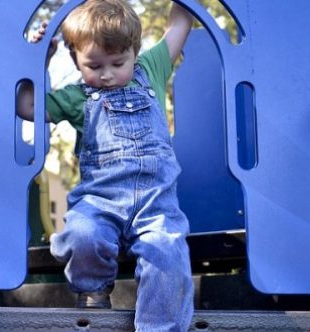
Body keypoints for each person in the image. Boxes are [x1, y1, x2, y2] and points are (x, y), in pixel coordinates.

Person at [18, 1, 195, 331]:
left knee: (168, 256)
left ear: (134, 51)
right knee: (82, 233)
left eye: (118, 62)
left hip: (156, 205)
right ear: (75, 60)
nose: (107, 74)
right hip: (100, 201)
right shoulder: (76, 96)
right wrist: (38, 57)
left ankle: (161, 327)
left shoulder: (152, 68)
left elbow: (179, 25)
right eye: (94, 65)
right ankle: (93, 290)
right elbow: (27, 106)